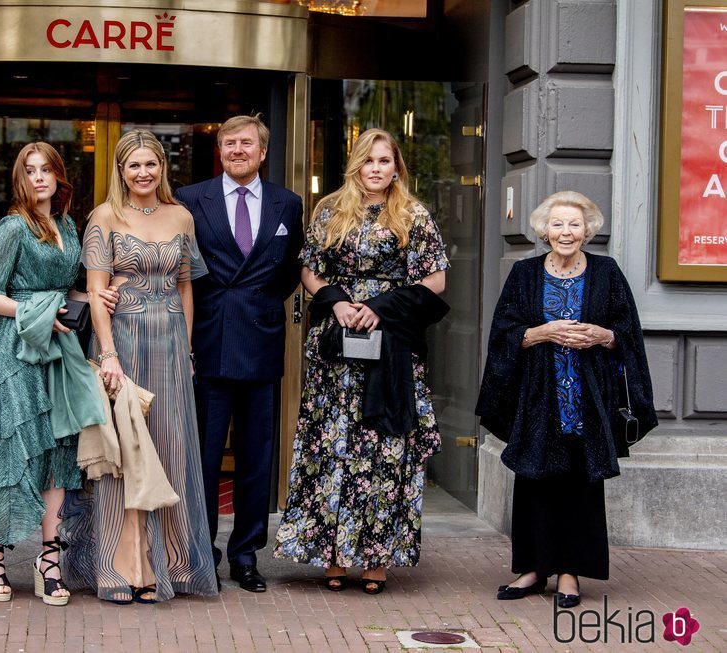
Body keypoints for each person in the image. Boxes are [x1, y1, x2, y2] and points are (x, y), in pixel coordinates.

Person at [273, 128, 449, 595]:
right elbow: (308, 267)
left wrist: (381, 307)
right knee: (332, 446)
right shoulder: (330, 210)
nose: (376, 169)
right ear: (356, 164)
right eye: (369, 161)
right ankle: (332, 552)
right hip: (337, 344)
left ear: (397, 167)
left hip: (390, 344)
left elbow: (435, 281)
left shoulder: (414, 215)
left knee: (383, 448)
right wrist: (336, 302)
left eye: (385, 161)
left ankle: (374, 556)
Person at [476, 191, 657, 608]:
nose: (565, 232)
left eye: (574, 224)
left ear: (587, 230)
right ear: (544, 230)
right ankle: (533, 569)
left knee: (580, 486)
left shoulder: (606, 273)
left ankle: (570, 574)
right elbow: (504, 333)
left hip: (587, 400)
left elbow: (627, 332)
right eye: (557, 224)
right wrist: (543, 332)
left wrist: (603, 335)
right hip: (539, 396)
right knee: (534, 483)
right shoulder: (524, 274)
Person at [60, 129, 218, 604]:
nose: (143, 172)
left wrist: (186, 349)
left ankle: (170, 563)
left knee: (170, 450)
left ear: (162, 168)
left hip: (170, 346)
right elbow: (95, 290)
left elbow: (187, 287)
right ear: (121, 171)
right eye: (134, 165)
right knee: (123, 453)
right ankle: (119, 568)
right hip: (122, 345)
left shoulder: (182, 217)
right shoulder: (103, 217)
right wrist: (106, 354)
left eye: (151, 164)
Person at [175, 114, 304, 593]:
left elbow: (291, 271)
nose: (237, 150)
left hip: (261, 341)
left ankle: (246, 555)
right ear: (220, 150)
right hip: (205, 342)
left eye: (246, 143)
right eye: (229, 143)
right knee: (205, 458)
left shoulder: (288, 205)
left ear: (262, 151)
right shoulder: (191, 199)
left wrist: (262, 303)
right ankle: (201, 551)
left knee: (257, 457)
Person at [0, 142, 106, 606]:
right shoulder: (13, 226)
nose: (39, 178)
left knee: (58, 453)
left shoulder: (68, 224)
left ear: (58, 175)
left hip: (59, 350)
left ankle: (48, 559)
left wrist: (97, 297)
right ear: (21, 179)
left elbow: (68, 287)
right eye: (30, 171)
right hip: (14, 353)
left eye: (46, 169)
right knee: (12, 453)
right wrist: (36, 308)